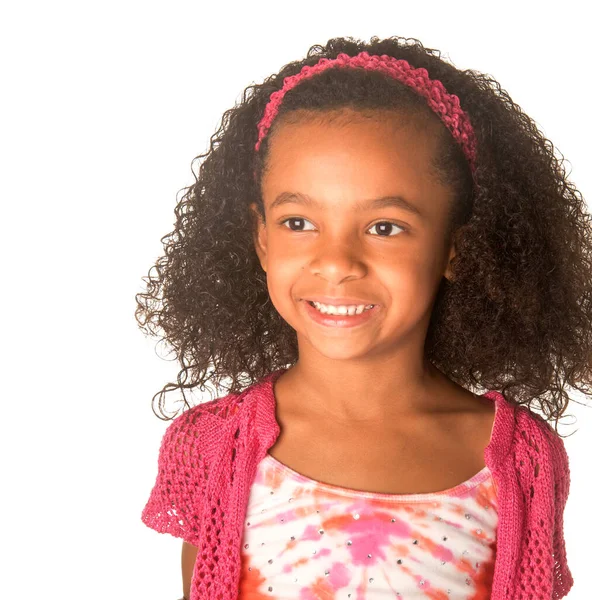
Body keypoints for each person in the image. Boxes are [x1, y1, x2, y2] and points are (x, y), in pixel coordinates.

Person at [136, 35, 591, 600]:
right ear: (260, 239)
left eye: (384, 227)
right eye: (299, 222)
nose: (336, 263)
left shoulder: (520, 461)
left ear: (455, 248)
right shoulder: (214, 448)